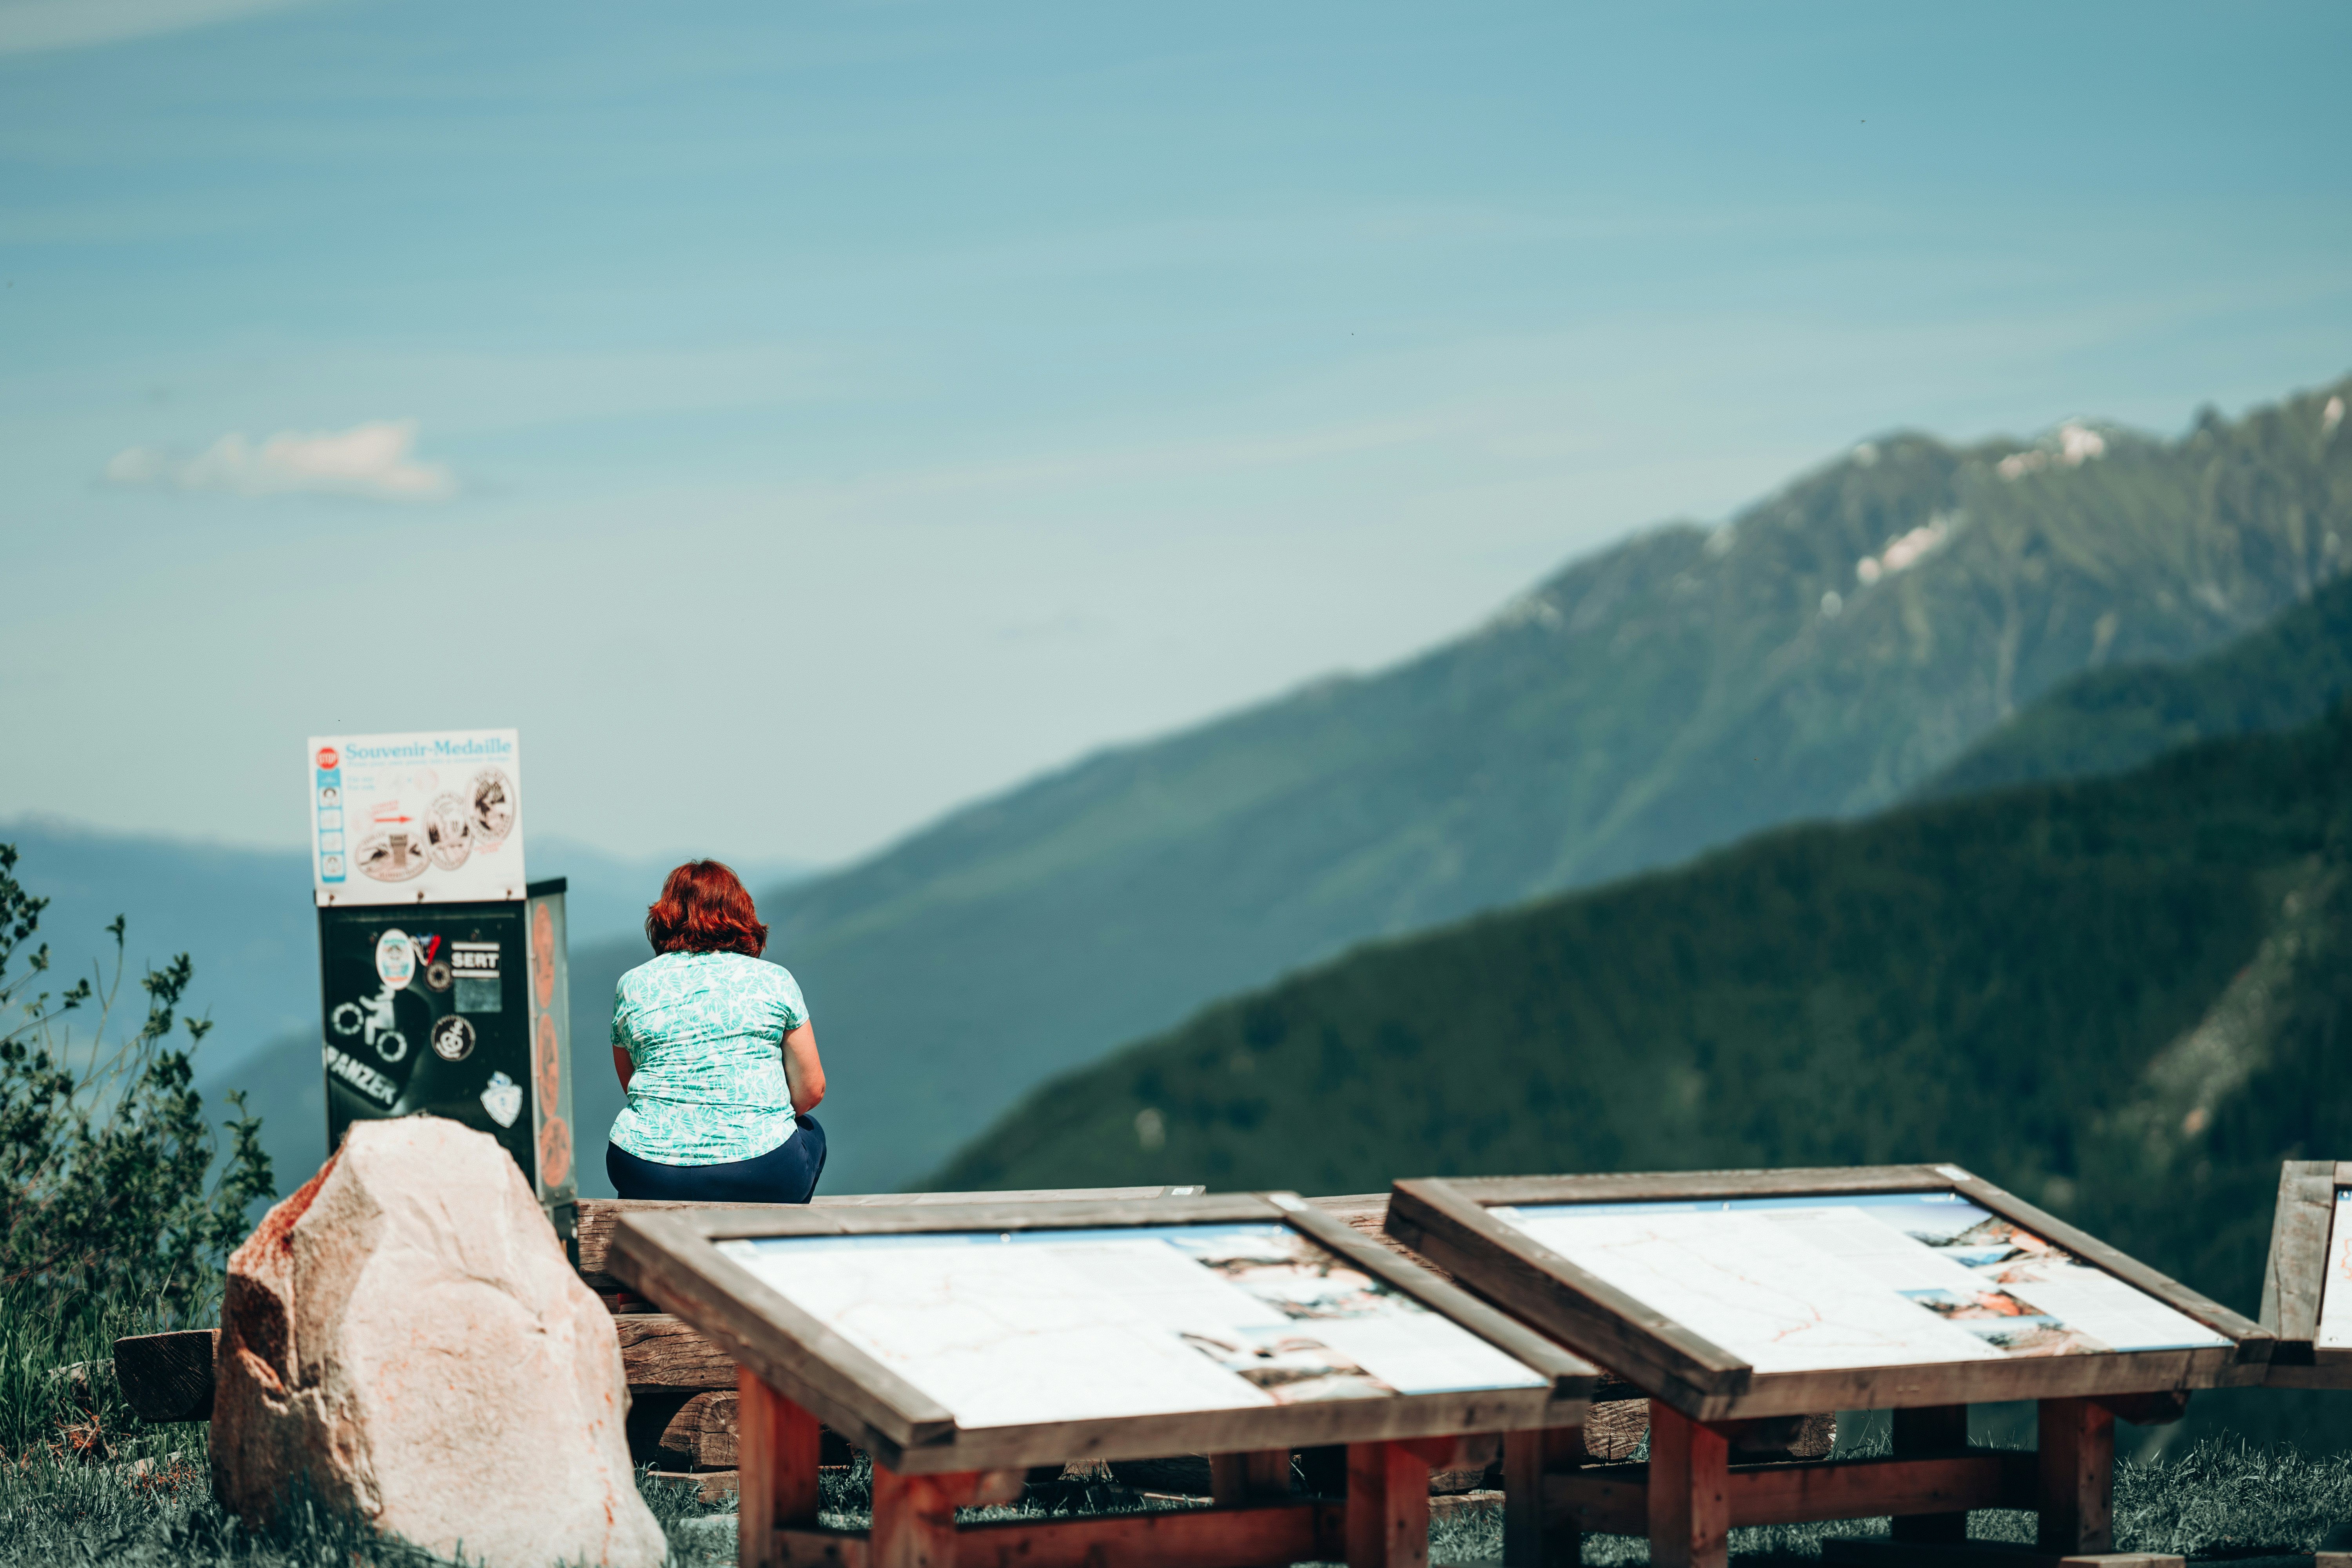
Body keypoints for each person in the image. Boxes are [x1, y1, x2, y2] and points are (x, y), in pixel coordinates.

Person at [605, 860, 829, 1202]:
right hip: (762, 1168)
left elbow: (632, 1083)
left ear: (665, 918)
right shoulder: (775, 980)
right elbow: (811, 1089)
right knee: (812, 1135)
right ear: (742, 916)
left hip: (647, 1168)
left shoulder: (634, 984)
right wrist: (757, 1117)